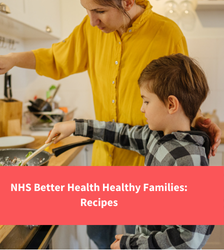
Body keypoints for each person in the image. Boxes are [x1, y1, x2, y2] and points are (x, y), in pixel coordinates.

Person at [0, 0, 221, 248]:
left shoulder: (167, 33)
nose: (92, 20)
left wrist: (197, 122)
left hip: (143, 169)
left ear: (127, 3)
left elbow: (181, 91)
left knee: (141, 233)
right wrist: (11, 59)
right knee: (99, 235)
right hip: (105, 160)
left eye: (100, 11)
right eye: (86, 11)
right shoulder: (90, 30)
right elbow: (56, 57)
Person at [46, 53, 214, 249]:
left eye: (146, 101)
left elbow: (189, 239)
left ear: (171, 104)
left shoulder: (188, 160)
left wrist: (130, 244)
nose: (142, 109)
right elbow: (121, 133)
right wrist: (76, 126)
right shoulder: (156, 136)